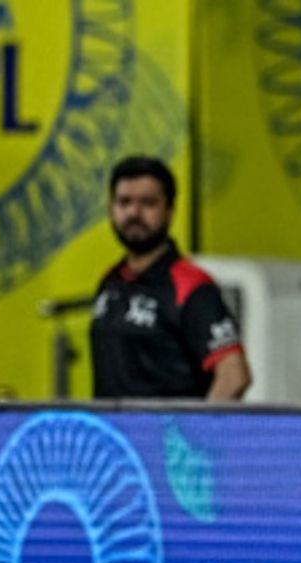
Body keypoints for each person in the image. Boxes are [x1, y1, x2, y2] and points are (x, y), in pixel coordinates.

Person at [91, 156, 252, 400]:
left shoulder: (191, 285)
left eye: (148, 203)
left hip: (170, 425)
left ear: (169, 211)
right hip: (111, 425)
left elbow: (234, 375)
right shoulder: (110, 281)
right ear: (111, 209)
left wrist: (195, 424)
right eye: (124, 202)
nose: (134, 213)